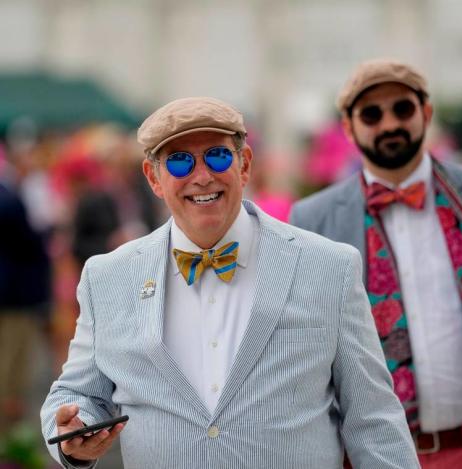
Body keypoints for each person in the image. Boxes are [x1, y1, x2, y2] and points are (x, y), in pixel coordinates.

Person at [40, 97, 419, 469]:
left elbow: (374, 419)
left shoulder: (329, 266)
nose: (202, 176)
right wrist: (74, 432)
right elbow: (76, 393)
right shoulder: (108, 277)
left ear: (244, 164)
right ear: (154, 177)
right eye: (179, 161)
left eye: (217, 156)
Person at [290, 59, 462, 469]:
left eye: (402, 109)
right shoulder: (313, 219)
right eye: (371, 114)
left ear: (426, 113)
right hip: (376, 458)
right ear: (348, 127)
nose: (388, 124)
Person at [0, 178, 51, 433]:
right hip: (12, 298)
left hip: (13, 295)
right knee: (11, 374)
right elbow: (28, 244)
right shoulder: (7, 198)